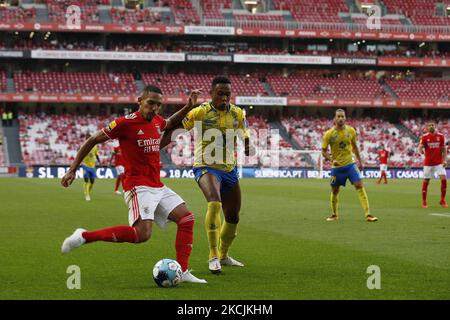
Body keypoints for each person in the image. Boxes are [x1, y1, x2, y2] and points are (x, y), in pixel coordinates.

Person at [60, 85, 206, 284]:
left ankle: (183, 269)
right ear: (140, 100)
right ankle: (84, 236)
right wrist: (72, 169)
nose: (154, 108)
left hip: (157, 185)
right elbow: (93, 139)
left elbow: (170, 122)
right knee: (141, 234)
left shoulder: (156, 121)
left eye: (158, 105)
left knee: (187, 219)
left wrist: (188, 107)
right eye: (150, 103)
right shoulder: (124, 123)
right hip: (138, 186)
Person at [181, 76, 253, 274]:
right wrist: (187, 107)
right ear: (211, 93)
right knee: (214, 202)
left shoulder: (238, 113)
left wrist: (246, 143)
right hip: (205, 165)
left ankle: (223, 255)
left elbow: (242, 132)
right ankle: (213, 256)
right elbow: (179, 125)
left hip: (229, 169)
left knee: (233, 216)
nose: (224, 97)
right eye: (220, 93)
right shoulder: (201, 111)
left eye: (227, 94)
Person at [321, 109, 378, 222]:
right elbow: (323, 151)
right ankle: (334, 214)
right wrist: (332, 160)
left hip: (350, 165)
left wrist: (360, 161)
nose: (341, 118)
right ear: (335, 118)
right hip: (337, 168)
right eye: (339, 116)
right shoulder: (329, 134)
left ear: (345, 118)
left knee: (359, 186)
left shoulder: (351, 131)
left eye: (343, 116)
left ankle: (368, 214)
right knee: (335, 191)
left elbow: (355, 147)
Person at [418, 122, 447, 208]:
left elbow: (444, 149)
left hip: (439, 162)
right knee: (426, 181)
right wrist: (420, 149)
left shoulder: (441, 136)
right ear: (427, 128)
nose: (431, 126)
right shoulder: (424, 137)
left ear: (435, 126)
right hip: (428, 163)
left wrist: (444, 160)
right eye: (429, 125)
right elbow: (420, 147)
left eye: (432, 125)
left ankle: (442, 200)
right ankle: (424, 201)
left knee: (444, 180)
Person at [80, 133, 101, 201]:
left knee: (92, 182)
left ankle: (88, 191)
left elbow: (97, 155)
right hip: (85, 165)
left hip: (92, 166)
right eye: (87, 138)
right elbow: (80, 155)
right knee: (86, 179)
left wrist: (99, 162)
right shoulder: (83, 146)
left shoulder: (95, 146)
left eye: (89, 138)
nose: (88, 139)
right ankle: (87, 194)